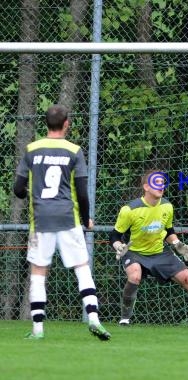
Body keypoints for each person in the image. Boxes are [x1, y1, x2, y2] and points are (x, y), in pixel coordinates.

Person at [13, 104, 111, 340]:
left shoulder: (31, 149)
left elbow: (17, 189)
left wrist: (28, 194)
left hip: (41, 219)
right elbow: (82, 191)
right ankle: (94, 319)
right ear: (67, 123)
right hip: (68, 217)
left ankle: (38, 330)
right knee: (81, 267)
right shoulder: (74, 150)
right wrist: (86, 217)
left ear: (45, 124)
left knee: (38, 272)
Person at [110, 170, 188, 327]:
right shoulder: (129, 210)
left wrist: (177, 244)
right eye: (156, 182)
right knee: (135, 276)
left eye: (162, 183)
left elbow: (168, 232)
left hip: (160, 253)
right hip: (133, 252)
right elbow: (114, 235)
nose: (161, 186)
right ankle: (125, 319)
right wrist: (118, 246)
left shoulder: (167, 206)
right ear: (146, 186)